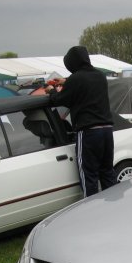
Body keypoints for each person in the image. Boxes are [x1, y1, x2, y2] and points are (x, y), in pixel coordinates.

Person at [45, 46, 116, 197]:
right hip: (107, 131)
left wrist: (51, 89)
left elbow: (57, 100)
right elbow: (84, 82)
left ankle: (90, 211)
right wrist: (66, 81)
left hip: (89, 133)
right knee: (107, 172)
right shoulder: (100, 76)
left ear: (72, 63)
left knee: (88, 176)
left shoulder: (76, 79)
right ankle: (113, 211)